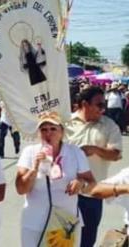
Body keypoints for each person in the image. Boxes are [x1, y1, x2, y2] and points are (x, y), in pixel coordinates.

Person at [16, 111, 95, 247]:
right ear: (38, 133)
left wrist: (80, 182)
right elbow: (21, 189)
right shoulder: (30, 152)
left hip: (65, 222)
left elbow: (92, 182)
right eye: (44, 129)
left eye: (53, 129)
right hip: (35, 223)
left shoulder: (75, 152)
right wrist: (34, 168)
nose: (49, 133)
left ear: (62, 132)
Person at [66, 86, 122, 247]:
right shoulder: (66, 123)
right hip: (65, 193)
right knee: (62, 239)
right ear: (85, 104)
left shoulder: (109, 125)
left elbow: (116, 154)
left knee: (87, 241)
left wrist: (95, 150)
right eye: (99, 105)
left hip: (92, 195)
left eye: (104, 105)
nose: (103, 109)